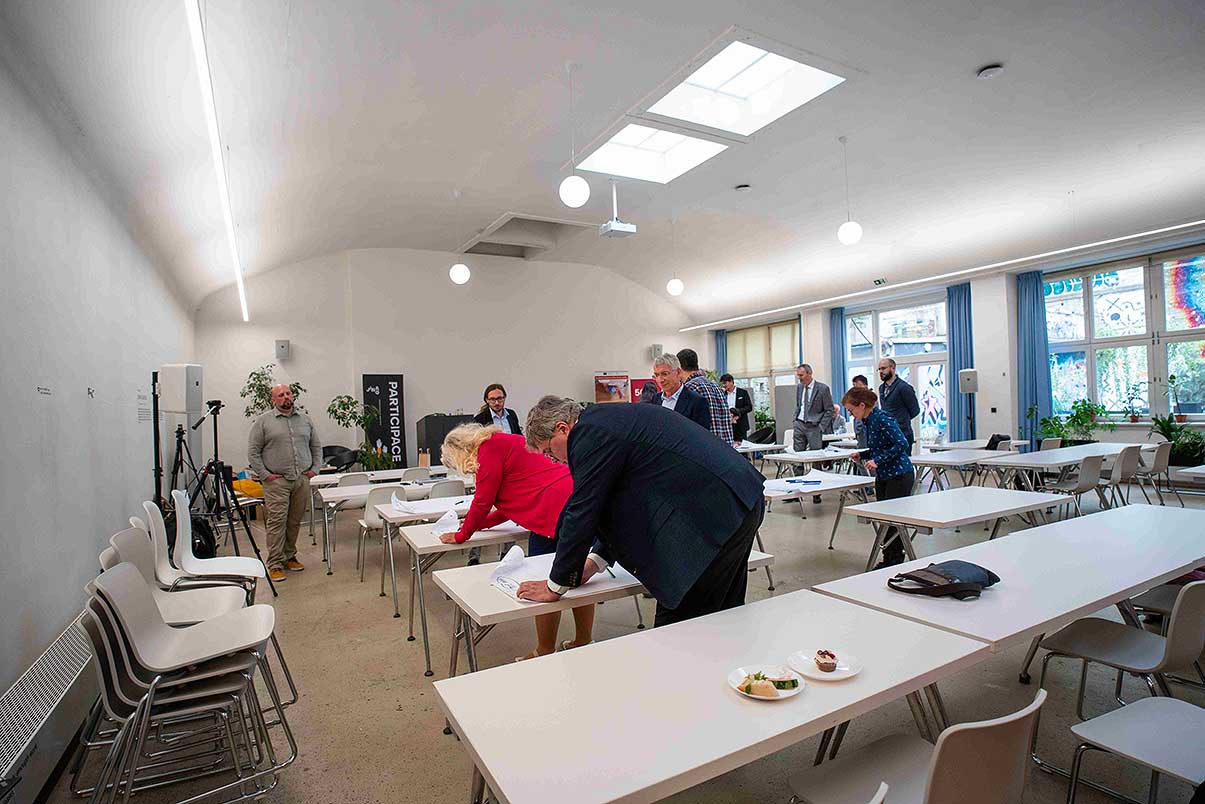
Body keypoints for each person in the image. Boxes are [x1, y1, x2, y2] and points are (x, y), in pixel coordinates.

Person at [517, 397, 765, 627]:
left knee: (678, 630)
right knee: (722, 617)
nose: (553, 460)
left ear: (562, 429)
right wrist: (593, 563)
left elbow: (582, 511)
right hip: (739, 500)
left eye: (548, 451)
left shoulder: (588, 434)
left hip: (714, 516)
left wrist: (556, 585)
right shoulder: (606, 421)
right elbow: (612, 505)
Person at [439, 423, 593, 660]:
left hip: (551, 511)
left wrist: (461, 535)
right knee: (576, 573)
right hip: (575, 498)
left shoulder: (486, 452)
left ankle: (544, 649)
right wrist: (479, 524)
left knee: (544, 582)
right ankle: (583, 640)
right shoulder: (505, 441)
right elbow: (512, 500)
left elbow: (482, 501)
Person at [247, 384, 321, 583]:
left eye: (288, 393)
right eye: (281, 395)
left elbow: (316, 446)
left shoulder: (305, 420)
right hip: (276, 482)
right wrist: (265, 475)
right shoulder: (264, 421)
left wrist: (314, 469)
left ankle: (290, 556)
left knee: (294, 521)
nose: (286, 397)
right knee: (277, 522)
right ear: (274, 400)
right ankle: (275, 564)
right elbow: (253, 452)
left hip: (301, 479)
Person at [842, 386, 915, 568]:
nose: (851, 415)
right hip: (885, 475)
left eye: (851, 410)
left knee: (893, 520)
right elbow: (880, 447)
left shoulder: (881, 418)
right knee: (885, 519)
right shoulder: (869, 421)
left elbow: (902, 443)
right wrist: (863, 455)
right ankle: (889, 558)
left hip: (899, 475)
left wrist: (878, 460)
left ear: (861, 405)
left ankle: (894, 559)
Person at [676, 348, 735, 444]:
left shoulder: (689, 388)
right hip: (725, 446)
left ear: (679, 368)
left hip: (706, 447)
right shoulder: (716, 386)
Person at [643, 354, 711, 430]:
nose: (660, 380)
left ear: (678, 372)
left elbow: (701, 434)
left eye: (664, 374)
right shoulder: (655, 399)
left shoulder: (697, 402)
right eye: (656, 375)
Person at [878, 358, 920, 451]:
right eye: (879, 369)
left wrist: (901, 420)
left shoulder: (904, 387)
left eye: (883, 368)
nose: (881, 371)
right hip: (888, 434)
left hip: (903, 433)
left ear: (893, 368)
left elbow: (915, 410)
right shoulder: (881, 388)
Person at [793, 363, 834, 451]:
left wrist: (821, 426)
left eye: (801, 375)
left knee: (815, 454)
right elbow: (799, 405)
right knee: (798, 454)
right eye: (798, 375)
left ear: (809, 374)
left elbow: (830, 409)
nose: (799, 378)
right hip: (799, 424)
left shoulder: (823, 388)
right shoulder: (800, 387)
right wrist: (795, 420)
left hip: (814, 425)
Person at [720, 373, 754, 442]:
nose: (723, 385)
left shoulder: (743, 392)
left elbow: (749, 407)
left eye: (725, 383)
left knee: (743, 446)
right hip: (727, 426)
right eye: (722, 384)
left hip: (741, 425)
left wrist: (736, 412)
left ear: (731, 381)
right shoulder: (722, 394)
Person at [850, 374, 870, 450]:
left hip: (866, 430)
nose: (855, 388)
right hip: (859, 431)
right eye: (853, 385)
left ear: (865, 385)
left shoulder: (870, 397)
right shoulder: (857, 398)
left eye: (857, 385)